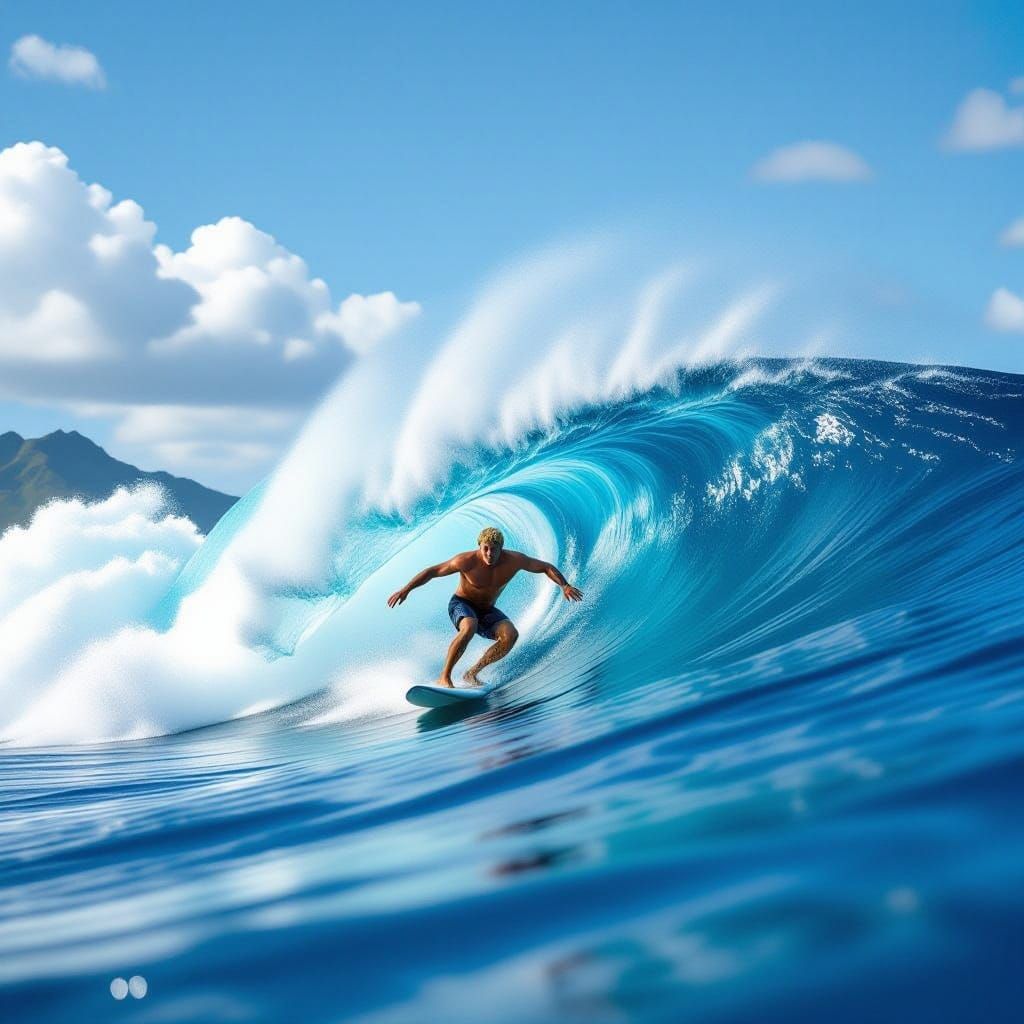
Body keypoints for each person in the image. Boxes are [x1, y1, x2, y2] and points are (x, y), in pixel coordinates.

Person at [387, 526, 583, 688]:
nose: (489, 553)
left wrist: (564, 585)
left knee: (510, 635)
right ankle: (444, 677)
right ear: (479, 547)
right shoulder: (465, 561)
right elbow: (433, 571)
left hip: (486, 610)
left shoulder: (514, 560)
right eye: (485, 548)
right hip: (461, 604)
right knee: (469, 626)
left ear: (501, 549)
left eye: (494, 549)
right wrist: (406, 590)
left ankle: (471, 673)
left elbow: (545, 567)